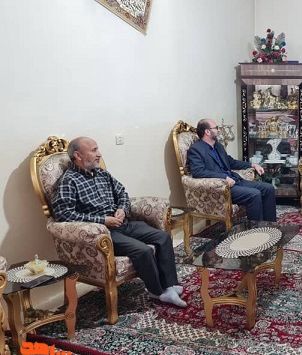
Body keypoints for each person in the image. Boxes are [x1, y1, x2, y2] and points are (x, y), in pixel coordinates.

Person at [52, 137, 186, 307]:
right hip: (103, 233)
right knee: (143, 250)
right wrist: (103, 220)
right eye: (93, 150)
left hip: (123, 223)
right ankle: (157, 292)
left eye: (97, 149)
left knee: (163, 237)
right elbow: (63, 214)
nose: (99, 154)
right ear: (78, 155)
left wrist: (122, 209)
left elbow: (122, 192)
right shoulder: (69, 181)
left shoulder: (102, 173)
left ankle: (168, 285)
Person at [188, 118, 276, 222]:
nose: (219, 130)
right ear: (207, 131)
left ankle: (270, 225)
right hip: (221, 187)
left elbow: (231, 162)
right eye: (216, 128)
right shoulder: (196, 149)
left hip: (235, 180)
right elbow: (198, 172)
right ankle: (256, 228)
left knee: (268, 188)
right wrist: (224, 177)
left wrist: (252, 164)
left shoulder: (218, 146)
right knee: (254, 194)